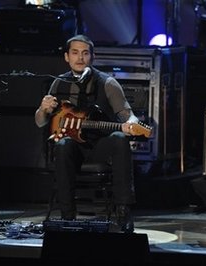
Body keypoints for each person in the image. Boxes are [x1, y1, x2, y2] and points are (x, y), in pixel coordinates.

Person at [35, 34, 139, 233]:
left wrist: (130, 124)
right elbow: (41, 122)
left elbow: (129, 116)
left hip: (100, 145)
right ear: (66, 57)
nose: (80, 58)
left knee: (119, 138)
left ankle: (123, 209)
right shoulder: (59, 83)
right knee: (63, 144)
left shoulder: (108, 83)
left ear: (92, 57)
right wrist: (43, 109)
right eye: (75, 53)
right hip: (73, 148)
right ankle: (68, 217)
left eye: (85, 53)